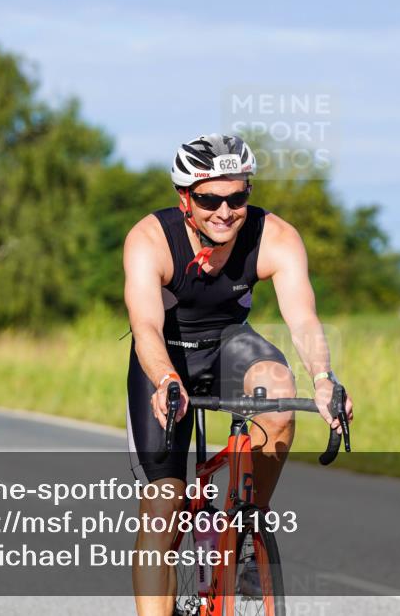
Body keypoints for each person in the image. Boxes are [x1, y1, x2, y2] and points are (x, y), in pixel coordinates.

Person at [123, 133, 353, 615]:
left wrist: (325, 379)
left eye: (238, 196)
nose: (225, 211)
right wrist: (167, 381)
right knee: (164, 504)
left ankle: (249, 530)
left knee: (280, 390)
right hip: (165, 355)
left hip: (229, 344)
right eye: (210, 199)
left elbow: (303, 319)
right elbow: (145, 326)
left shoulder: (276, 236)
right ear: (184, 198)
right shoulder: (149, 240)